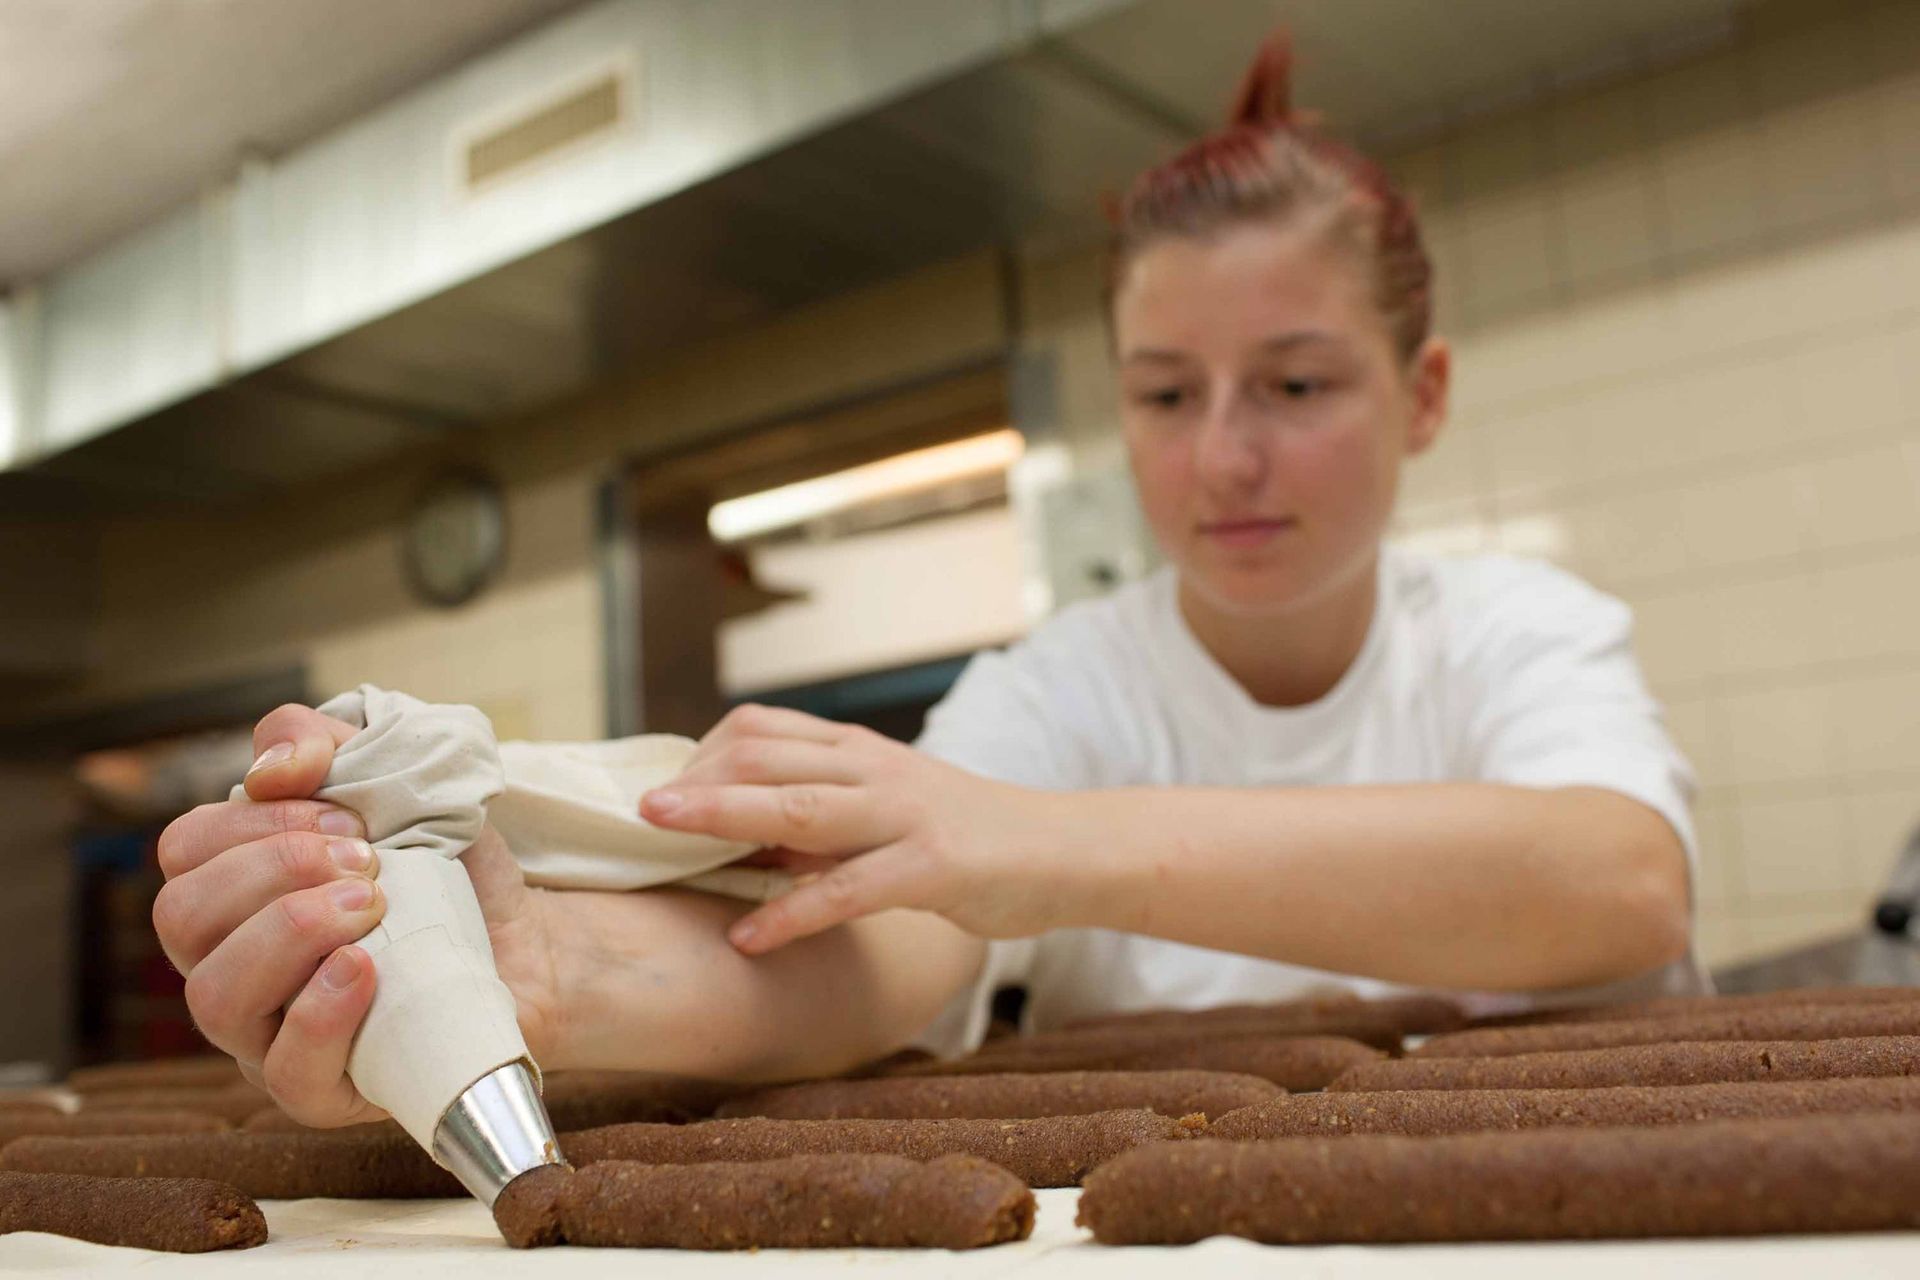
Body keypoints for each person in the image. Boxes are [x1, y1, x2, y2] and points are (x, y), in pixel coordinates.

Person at [152, 33, 1699, 1129]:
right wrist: (547, 981)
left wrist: (1042, 846)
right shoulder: (1060, 688)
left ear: (1421, 395)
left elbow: (1619, 885)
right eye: (1167, 394)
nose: (1226, 458)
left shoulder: (1512, 633)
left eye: (1296, 387)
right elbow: (887, 954)